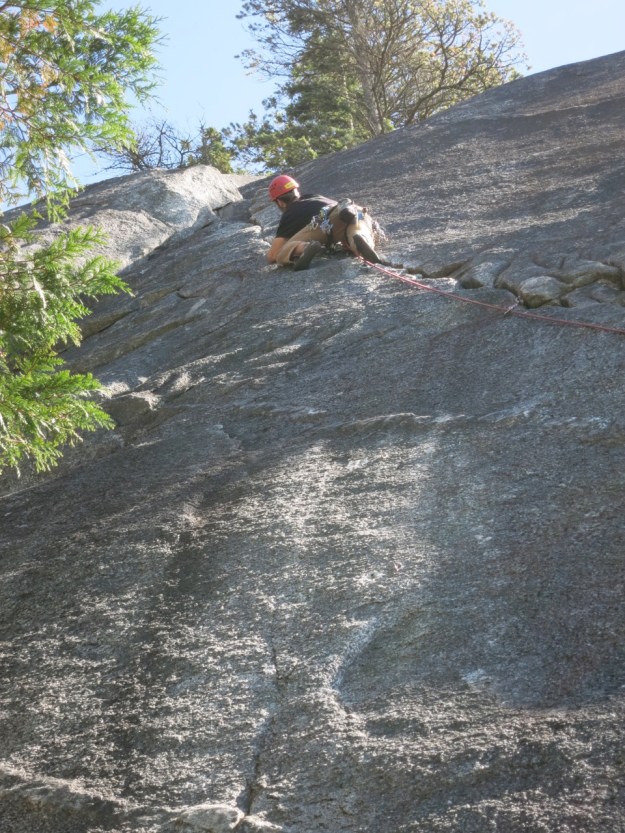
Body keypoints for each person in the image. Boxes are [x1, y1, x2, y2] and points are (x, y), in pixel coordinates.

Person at [265, 175, 383, 271]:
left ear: (280, 202)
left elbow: (272, 255)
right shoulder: (315, 197)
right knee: (357, 231)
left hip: (328, 220)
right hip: (355, 211)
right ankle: (362, 240)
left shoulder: (291, 211)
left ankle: (304, 248)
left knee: (281, 253)